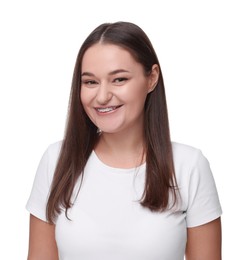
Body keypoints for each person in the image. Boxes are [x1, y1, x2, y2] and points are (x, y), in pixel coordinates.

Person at [26, 21, 222, 260]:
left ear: (151, 78)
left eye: (119, 79)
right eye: (90, 82)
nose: (102, 96)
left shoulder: (189, 166)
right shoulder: (56, 161)